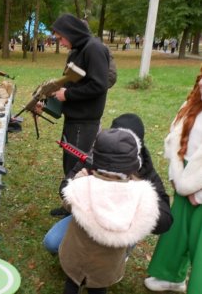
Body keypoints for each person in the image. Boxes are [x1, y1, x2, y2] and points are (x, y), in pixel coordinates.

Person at [44, 113, 173, 253]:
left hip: (120, 228)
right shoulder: (98, 155)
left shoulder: (145, 170)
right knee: (52, 242)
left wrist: (137, 201)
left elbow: (164, 222)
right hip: (89, 218)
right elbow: (65, 187)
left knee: (107, 264)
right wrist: (83, 183)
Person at [59, 128, 160, 294]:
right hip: (108, 265)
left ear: (96, 159)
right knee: (99, 288)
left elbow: (68, 204)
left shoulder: (82, 186)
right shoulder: (141, 194)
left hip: (77, 256)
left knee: (71, 285)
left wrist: (78, 178)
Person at [144, 67, 202, 293]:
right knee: (177, 232)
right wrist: (178, 177)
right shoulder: (191, 107)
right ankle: (170, 276)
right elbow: (175, 142)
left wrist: (198, 192)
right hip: (186, 176)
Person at [50, 13, 109, 176]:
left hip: (84, 123)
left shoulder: (94, 49)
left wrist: (68, 94)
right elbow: (73, 80)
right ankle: (69, 199)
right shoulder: (79, 50)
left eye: (61, 38)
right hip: (74, 120)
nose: (60, 43)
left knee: (77, 169)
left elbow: (99, 85)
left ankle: (74, 200)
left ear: (70, 33)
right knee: (69, 164)